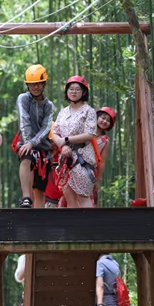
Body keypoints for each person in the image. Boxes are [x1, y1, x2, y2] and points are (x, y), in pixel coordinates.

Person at [50, 76, 98, 208]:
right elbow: (55, 132)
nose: (74, 92)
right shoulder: (63, 112)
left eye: (78, 89)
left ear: (84, 92)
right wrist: (62, 145)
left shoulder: (89, 111)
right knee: (69, 198)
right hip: (65, 158)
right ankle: (73, 228)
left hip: (82, 157)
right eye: (71, 89)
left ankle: (87, 227)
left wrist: (66, 140)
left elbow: (90, 134)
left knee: (83, 197)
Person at [14, 64, 55, 208]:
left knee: (39, 189)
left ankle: (39, 219)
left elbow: (46, 128)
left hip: (44, 148)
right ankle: (26, 198)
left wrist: (33, 143)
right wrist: (28, 144)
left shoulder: (49, 105)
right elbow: (24, 121)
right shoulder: (23, 99)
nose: (35, 87)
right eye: (32, 84)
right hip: (25, 143)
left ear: (44, 84)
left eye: (38, 84)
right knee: (26, 158)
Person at [92, 107, 116, 206]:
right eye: (103, 117)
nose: (105, 121)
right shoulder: (85, 130)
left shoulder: (105, 140)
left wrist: (98, 180)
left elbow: (102, 161)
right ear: (97, 117)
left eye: (108, 120)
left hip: (91, 171)